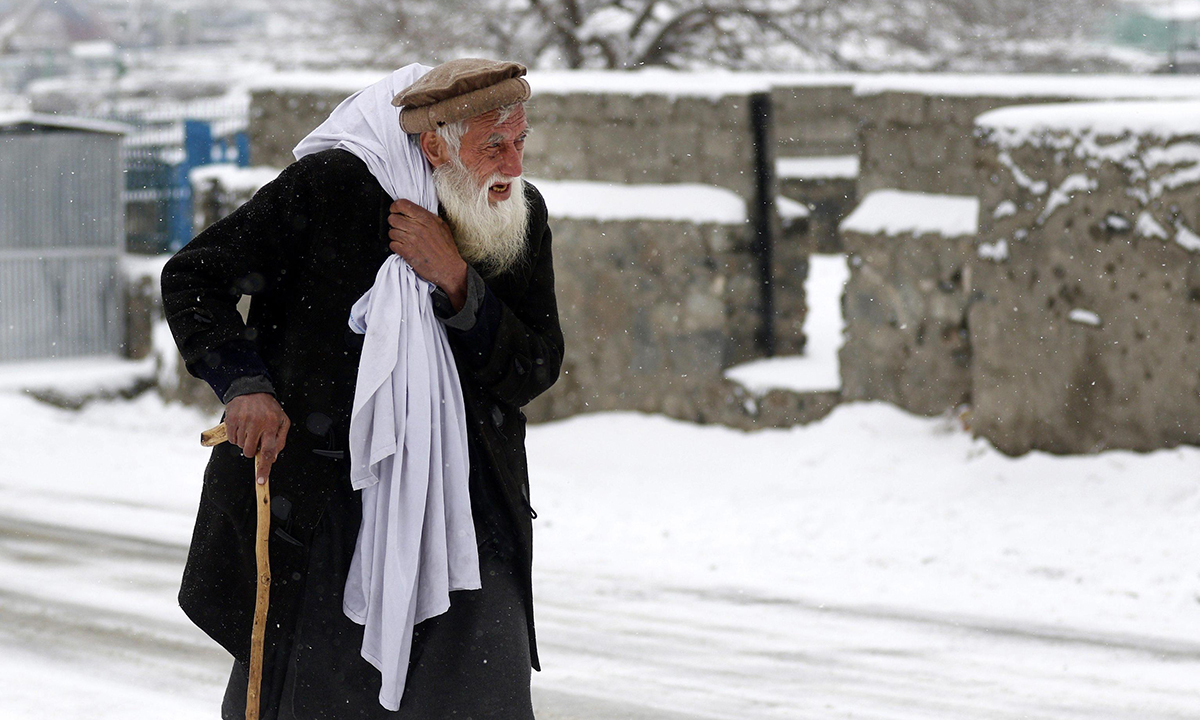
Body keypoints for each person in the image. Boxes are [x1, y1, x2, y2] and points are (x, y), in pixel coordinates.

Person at [161, 58, 563, 719]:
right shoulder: (331, 188)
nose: (514, 165)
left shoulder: (517, 212)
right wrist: (244, 385)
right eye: (494, 145)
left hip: (468, 513)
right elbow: (194, 277)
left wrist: (457, 282)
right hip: (327, 510)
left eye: (521, 140)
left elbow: (534, 368)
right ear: (434, 145)